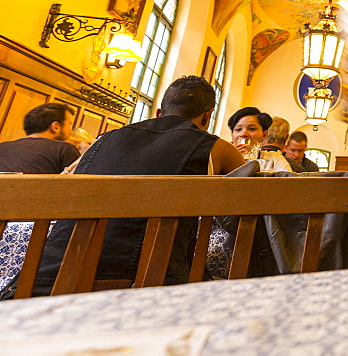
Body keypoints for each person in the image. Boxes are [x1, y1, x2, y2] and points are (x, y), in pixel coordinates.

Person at [26, 76, 245, 296]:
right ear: (207, 116)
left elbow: (65, 185)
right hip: (150, 284)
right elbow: (249, 198)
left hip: (48, 279)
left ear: (159, 112)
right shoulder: (215, 147)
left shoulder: (102, 140)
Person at [0, 103, 80, 174]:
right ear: (55, 127)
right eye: (69, 124)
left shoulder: (2, 146)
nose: (70, 131)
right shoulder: (65, 149)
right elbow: (81, 186)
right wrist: (85, 156)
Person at [228, 107, 291, 173]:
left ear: (264, 135)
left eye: (252, 129)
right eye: (238, 129)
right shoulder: (222, 159)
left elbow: (289, 181)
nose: (244, 134)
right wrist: (232, 159)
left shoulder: (274, 158)